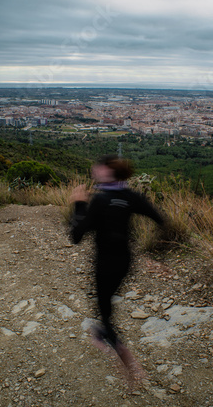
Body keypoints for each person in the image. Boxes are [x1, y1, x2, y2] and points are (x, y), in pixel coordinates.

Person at [69, 155, 165, 380]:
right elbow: (159, 218)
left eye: (98, 167)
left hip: (105, 263)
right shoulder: (131, 196)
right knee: (107, 303)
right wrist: (157, 255)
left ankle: (126, 359)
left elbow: (76, 236)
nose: (94, 169)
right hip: (125, 262)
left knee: (104, 309)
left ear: (107, 172)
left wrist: (79, 203)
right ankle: (102, 333)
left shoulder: (100, 200)